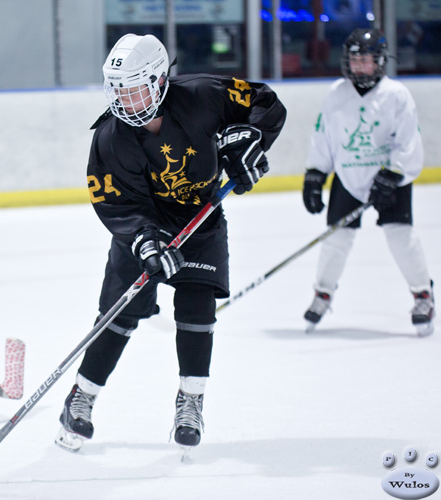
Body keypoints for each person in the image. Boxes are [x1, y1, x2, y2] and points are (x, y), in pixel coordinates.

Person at [55, 34, 287, 453]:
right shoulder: (111, 136)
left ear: (161, 81)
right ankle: (82, 397)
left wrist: (251, 142)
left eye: (136, 87)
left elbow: (264, 102)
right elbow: (114, 201)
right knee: (122, 311)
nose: (126, 99)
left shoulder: (204, 95)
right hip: (145, 226)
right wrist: (145, 243)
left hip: (201, 219)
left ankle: (191, 401)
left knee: (198, 306)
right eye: (118, 90)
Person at [301, 28, 435, 337]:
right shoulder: (337, 92)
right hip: (349, 176)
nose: (360, 66)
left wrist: (394, 172)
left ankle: (422, 295)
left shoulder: (396, 95)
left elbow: (408, 141)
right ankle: (322, 293)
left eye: (366, 60)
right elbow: (323, 137)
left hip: (388, 179)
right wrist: (315, 174)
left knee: (400, 235)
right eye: (355, 59)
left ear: (379, 61)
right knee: (336, 238)